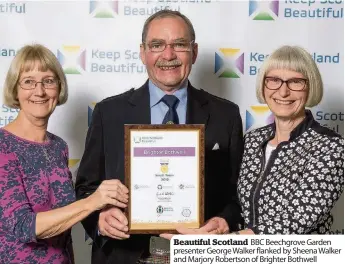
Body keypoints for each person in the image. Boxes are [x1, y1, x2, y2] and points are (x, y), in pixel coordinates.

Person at [75, 10, 244, 264]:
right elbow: (86, 188)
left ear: (194, 52)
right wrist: (99, 218)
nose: (168, 55)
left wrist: (225, 221)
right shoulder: (108, 112)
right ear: (143, 52)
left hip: (198, 255)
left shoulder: (226, 114)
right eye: (157, 45)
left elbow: (238, 194)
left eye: (179, 44)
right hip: (124, 255)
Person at [167, 45, 344, 236]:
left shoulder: (330, 147)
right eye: (274, 80)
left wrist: (215, 244)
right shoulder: (253, 140)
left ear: (310, 87)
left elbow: (296, 221)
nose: (283, 92)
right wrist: (223, 221)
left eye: (295, 82)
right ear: (263, 85)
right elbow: (241, 204)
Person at [0, 44, 129, 263]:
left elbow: (64, 229)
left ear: (59, 88)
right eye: (29, 82)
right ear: (15, 89)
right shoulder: (3, 146)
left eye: (48, 81)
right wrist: (94, 201)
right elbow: (24, 227)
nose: (39, 91)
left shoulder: (58, 147)